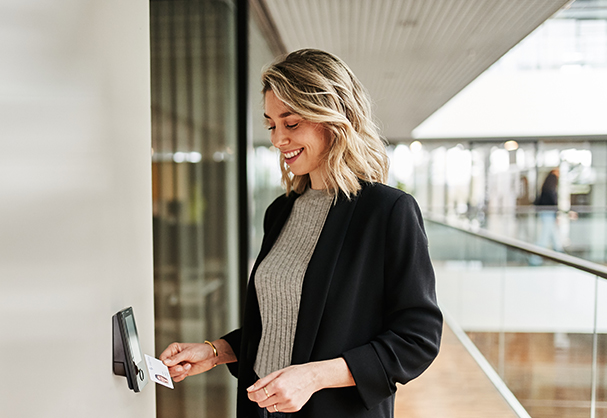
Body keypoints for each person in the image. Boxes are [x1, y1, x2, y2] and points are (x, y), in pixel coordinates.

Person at [160, 48, 443, 418]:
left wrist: (314, 376)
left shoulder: (387, 211)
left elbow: (417, 339)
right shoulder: (281, 211)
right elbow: (280, 323)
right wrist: (215, 351)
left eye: (291, 124)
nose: (278, 140)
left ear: (334, 119)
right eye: (271, 125)